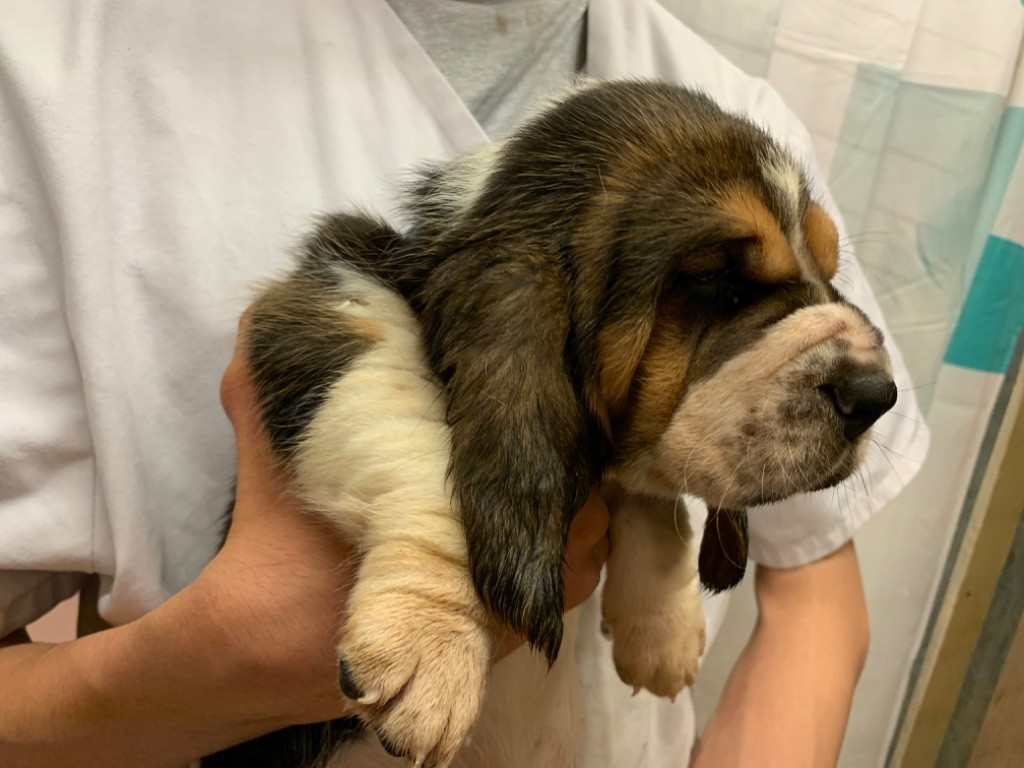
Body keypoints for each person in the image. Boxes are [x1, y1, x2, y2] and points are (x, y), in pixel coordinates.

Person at [0, 1, 929, 766]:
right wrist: (241, 657)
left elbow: (813, 602)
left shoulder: (734, 111)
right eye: (720, 284)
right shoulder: (57, 65)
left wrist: (660, 541)